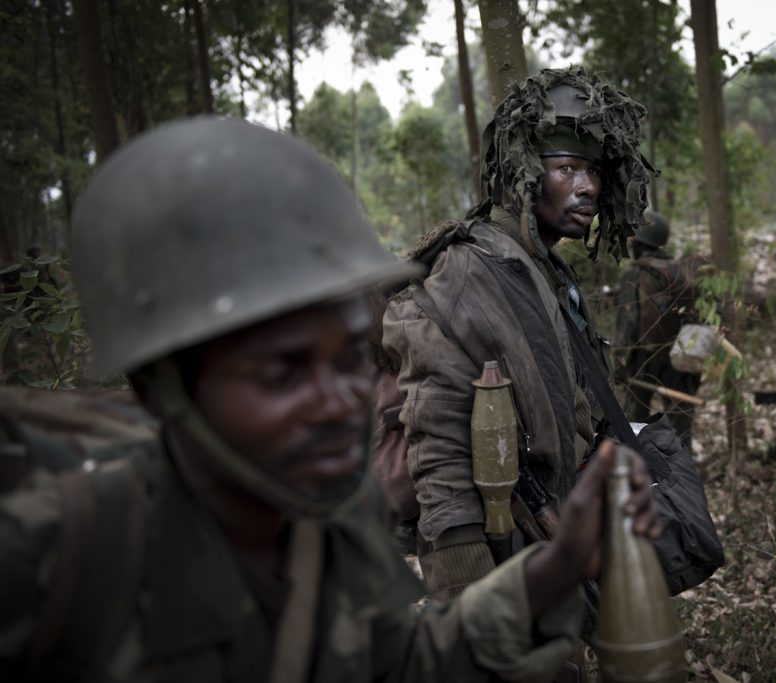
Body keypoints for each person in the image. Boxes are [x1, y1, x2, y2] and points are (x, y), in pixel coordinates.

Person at [0, 117, 662, 682]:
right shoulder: (48, 557)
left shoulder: (330, 521)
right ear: (159, 386)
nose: (340, 401)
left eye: (351, 357)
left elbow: (391, 662)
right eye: (282, 373)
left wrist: (555, 568)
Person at [383, 67, 668, 601]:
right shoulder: (471, 271)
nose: (586, 187)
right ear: (523, 172)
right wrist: (466, 577)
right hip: (491, 551)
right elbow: (437, 432)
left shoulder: (542, 267)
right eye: (567, 169)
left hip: (551, 537)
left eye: (594, 172)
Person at [614, 211, 704, 449]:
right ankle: (682, 477)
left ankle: (637, 471)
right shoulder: (682, 271)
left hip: (644, 358)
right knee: (680, 430)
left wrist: (618, 361)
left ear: (640, 243)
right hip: (681, 358)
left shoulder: (635, 272)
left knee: (633, 425)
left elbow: (628, 322)